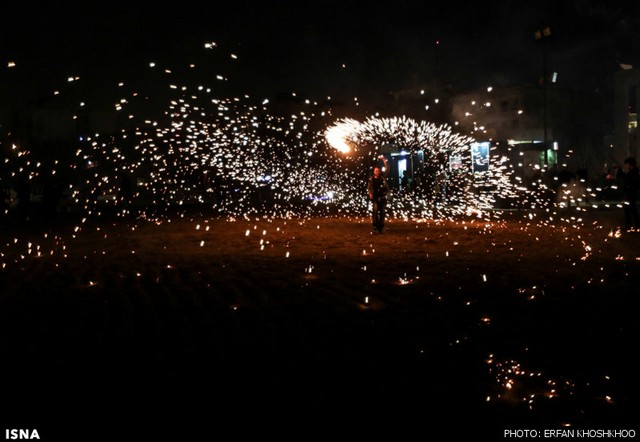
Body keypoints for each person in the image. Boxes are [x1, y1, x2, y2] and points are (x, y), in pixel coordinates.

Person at [367, 155, 390, 233]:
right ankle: (375, 227)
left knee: (382, 212)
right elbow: (369, 188)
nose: (377, 172)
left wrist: (384, 160)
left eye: (378, 171)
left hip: (382, 197)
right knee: (375, 212)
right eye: (376, 171)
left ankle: (381, 227)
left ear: (380, 171)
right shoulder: (371, 179)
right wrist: (370, 193)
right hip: (375, 197)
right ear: (374, 172)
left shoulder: (382, 177)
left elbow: (387, 168)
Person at [617, 156, 640, 231]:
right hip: (631, 193)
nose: (626, 166)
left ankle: (631, 225)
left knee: (630, 209)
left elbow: (628, 180)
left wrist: (620, 172)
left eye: (627, 164)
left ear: (631, 164)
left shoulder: (634, 172)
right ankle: (634, 225)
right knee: (631, 209)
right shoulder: (633, 172)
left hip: (631, 193)